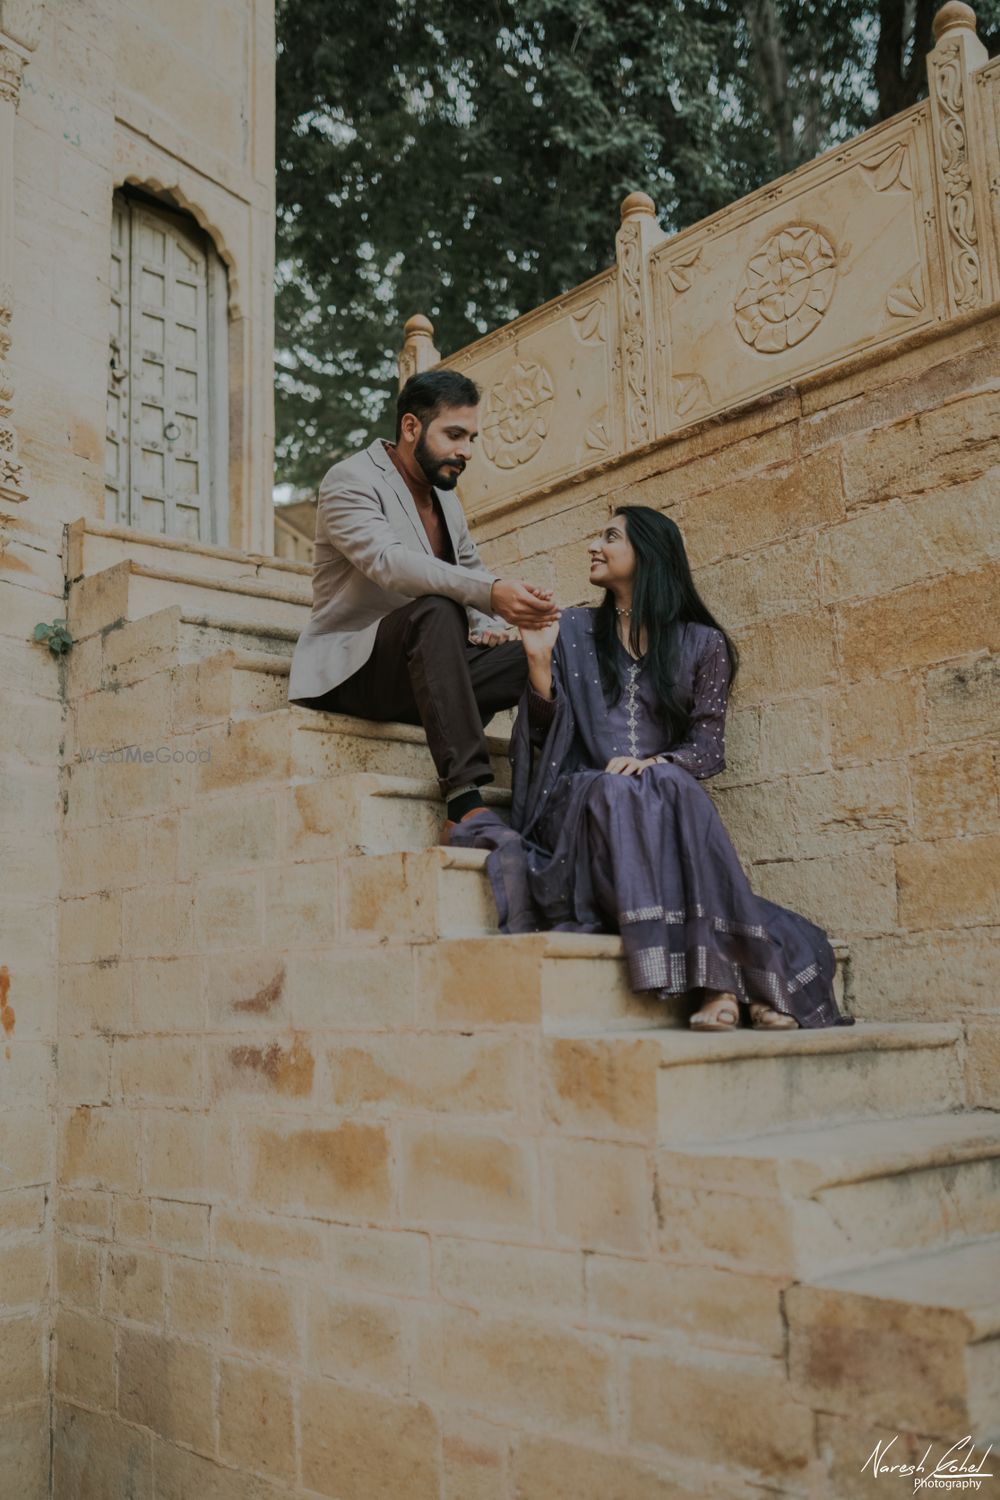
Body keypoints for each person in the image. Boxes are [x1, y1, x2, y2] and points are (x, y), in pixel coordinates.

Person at [451, 505, 851, 1030]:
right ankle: (742, 983)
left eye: (610, 537)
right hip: (580, 798)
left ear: (650, 554)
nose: (594, 546)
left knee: (666, 779)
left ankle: (720, 988)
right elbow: (544, 738)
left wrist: (654, 762)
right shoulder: (571, 629)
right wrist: (538, 662)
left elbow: (708, 750)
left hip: (660, 800)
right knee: (620, 789)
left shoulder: (703, 645)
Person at [289, 369, 559, 836]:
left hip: (426, 676)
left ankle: (555, 787)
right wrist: (487, 595)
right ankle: (464, 803)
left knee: (556, 645)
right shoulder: (349, 480)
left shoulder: (445, 497)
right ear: (411, 427)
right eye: (454, 434)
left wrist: (488, 617)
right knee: (436, 611)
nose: (466, 451)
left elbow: (470, 568)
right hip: (353, 671)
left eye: (471, 437)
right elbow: (390, 564)